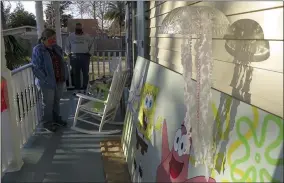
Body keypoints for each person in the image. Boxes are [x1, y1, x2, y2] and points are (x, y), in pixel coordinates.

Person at [31, 28, 68, 133]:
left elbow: (61, 61)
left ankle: (56, 119)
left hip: (58, 79)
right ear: (45, 38)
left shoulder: (56, 48)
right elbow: (36, 68)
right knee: (48, 103)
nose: (54, 40)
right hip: (47, 82)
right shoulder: (38, 49)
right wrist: (46, 80)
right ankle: (47, 123)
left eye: (54, 38)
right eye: (51, 38)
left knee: (56, 101)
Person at [65, 22, 94, 94]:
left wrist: (89, 54)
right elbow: (67, 47)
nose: (78, 29)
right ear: (75, 28)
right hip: (74, 56)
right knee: (75, 73)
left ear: (82, 28)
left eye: (79, 28)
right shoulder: (70, 37)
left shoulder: (87, 36)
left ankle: (85, 89)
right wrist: (69, 54)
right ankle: (77, 89)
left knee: (85, 73)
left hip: (85, 56)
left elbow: (92, 45)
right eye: (77, 28)